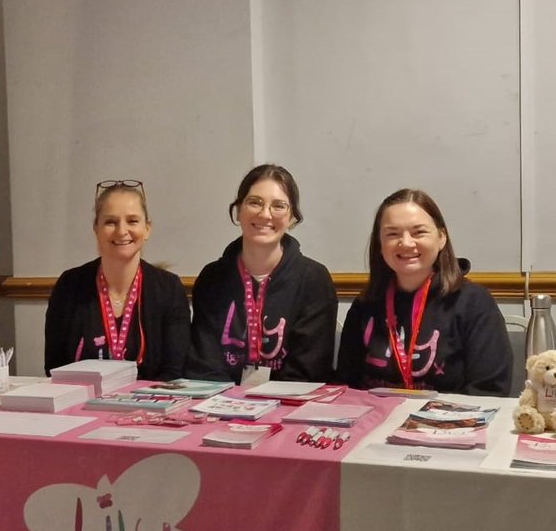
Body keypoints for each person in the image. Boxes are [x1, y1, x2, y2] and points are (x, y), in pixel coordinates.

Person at [336, 188, 512, 395]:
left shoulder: (474, 303)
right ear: (379, 244)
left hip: (449, 423)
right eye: (392, 234)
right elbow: (345, 387)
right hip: (376, 422)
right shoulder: (365, 304)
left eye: (419, 232)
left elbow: (489, 391)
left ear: (441, 238)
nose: (406, 242)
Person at [185, 164, 337, 384]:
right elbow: (203, 365)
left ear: (292, 217)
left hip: (290, 406)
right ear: (238, 210)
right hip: (220, 405)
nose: (265, 214)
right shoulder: (212, 278)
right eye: (254, 202)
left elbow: (309, 370)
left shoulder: (313, 279)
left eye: (279, 206)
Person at [44, 180, 190, 380]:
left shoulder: (169, 289)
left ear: (147, 229)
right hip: (82, 405)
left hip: (150, 406)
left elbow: (173, 372)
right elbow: (55, 366)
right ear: (96, 229)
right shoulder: (69, 286)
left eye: (132, 221)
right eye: (110, 222)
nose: (122, 231)